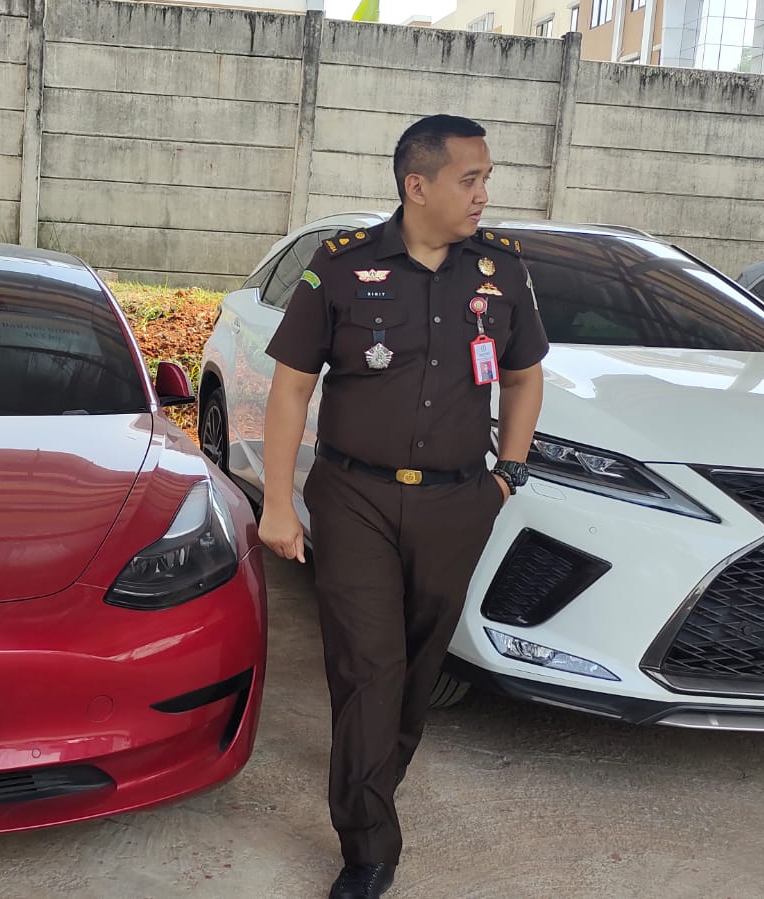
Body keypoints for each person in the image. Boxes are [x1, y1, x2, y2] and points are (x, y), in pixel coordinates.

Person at [259, 114, 548, 899]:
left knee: (418, 667)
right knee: (368, 665)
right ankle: (367, 845)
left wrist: (506, 474)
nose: (482, 194)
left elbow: (523, 376)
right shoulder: (340, 265)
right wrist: (277, 502)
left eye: (486, 179)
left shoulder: (500, 269)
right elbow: (290, 389)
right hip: (353, 495)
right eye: (469, 179)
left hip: (458, 501)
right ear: (416, 185)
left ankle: (373, 778)